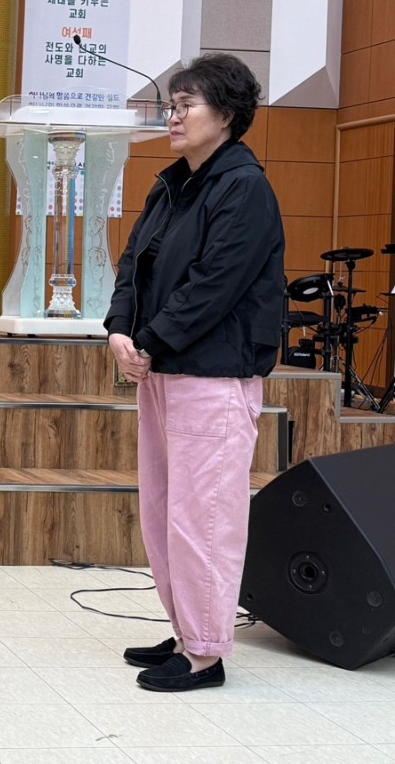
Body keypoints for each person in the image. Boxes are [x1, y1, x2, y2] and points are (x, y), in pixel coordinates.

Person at [105, 53, 284, 693]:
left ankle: (206, 654)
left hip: (212, 375)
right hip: (162, 369)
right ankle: (186, 631)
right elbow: (134, 263)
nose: (173, 117)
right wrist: (120, 329)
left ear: (227, 115)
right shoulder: (172, 183)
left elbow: (215, 284)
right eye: (171, 106)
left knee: (203, 516)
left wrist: (149, 342)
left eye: (186, 106)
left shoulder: (244, 188)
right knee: (163, 512)